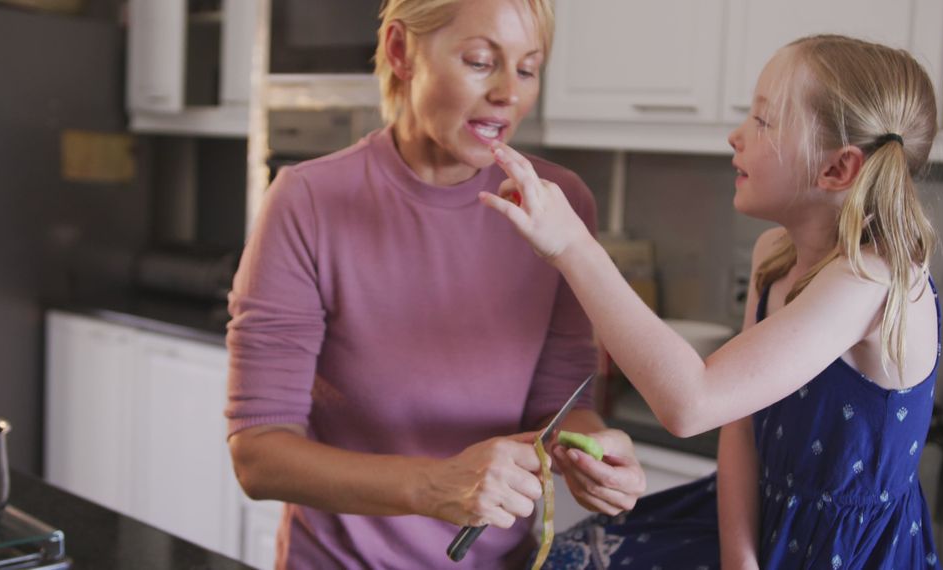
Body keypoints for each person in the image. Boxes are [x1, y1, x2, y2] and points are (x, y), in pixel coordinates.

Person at [482, 34, 943, 569]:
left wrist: (573, 246)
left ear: (837, 170)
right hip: (747, 519)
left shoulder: (873, 279)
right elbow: (740, 424)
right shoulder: (776, 254)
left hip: (842, 553)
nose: (736, 135)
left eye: (764, 122)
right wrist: (740, 559)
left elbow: (691, 402)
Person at [223, 1, 646, 568]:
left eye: (527, 69)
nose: (508, 93)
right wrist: (431, 486)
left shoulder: (558, 207)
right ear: (400, 51)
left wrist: (593, 450)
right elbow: (260, 456)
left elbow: (558, 402)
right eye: (479, 61)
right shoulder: (306, 201)